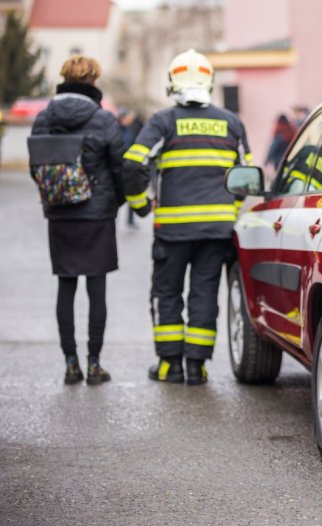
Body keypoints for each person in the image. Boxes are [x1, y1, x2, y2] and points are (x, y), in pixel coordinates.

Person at [122, 49, 252, 385]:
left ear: (172, 82)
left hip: (173, 231)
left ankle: (170, 366)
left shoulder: (163, 121)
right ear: (209, 82)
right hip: (216, 231)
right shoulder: (232, 123)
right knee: (204, 294)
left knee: (167, 293)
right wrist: (231, 212)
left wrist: (139, 204)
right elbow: (247, 177)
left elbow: (134, 163)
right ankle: (197, 367)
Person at [29, 56, 125, 385]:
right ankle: (94, 364)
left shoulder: (43, 118)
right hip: (97, 215)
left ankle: (70, 363)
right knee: (96, 289)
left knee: (65, 286)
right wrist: (115, 203)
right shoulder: (104, 120)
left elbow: (36, 169)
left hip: (60, 213)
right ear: (94, 81)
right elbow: (120, 168)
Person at [118, 109, 143, 227]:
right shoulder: (115, 129)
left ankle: (130, 219)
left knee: (131, 193)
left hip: (128, 164)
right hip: (119, 165)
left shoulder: (130, 130)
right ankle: (115, 219)